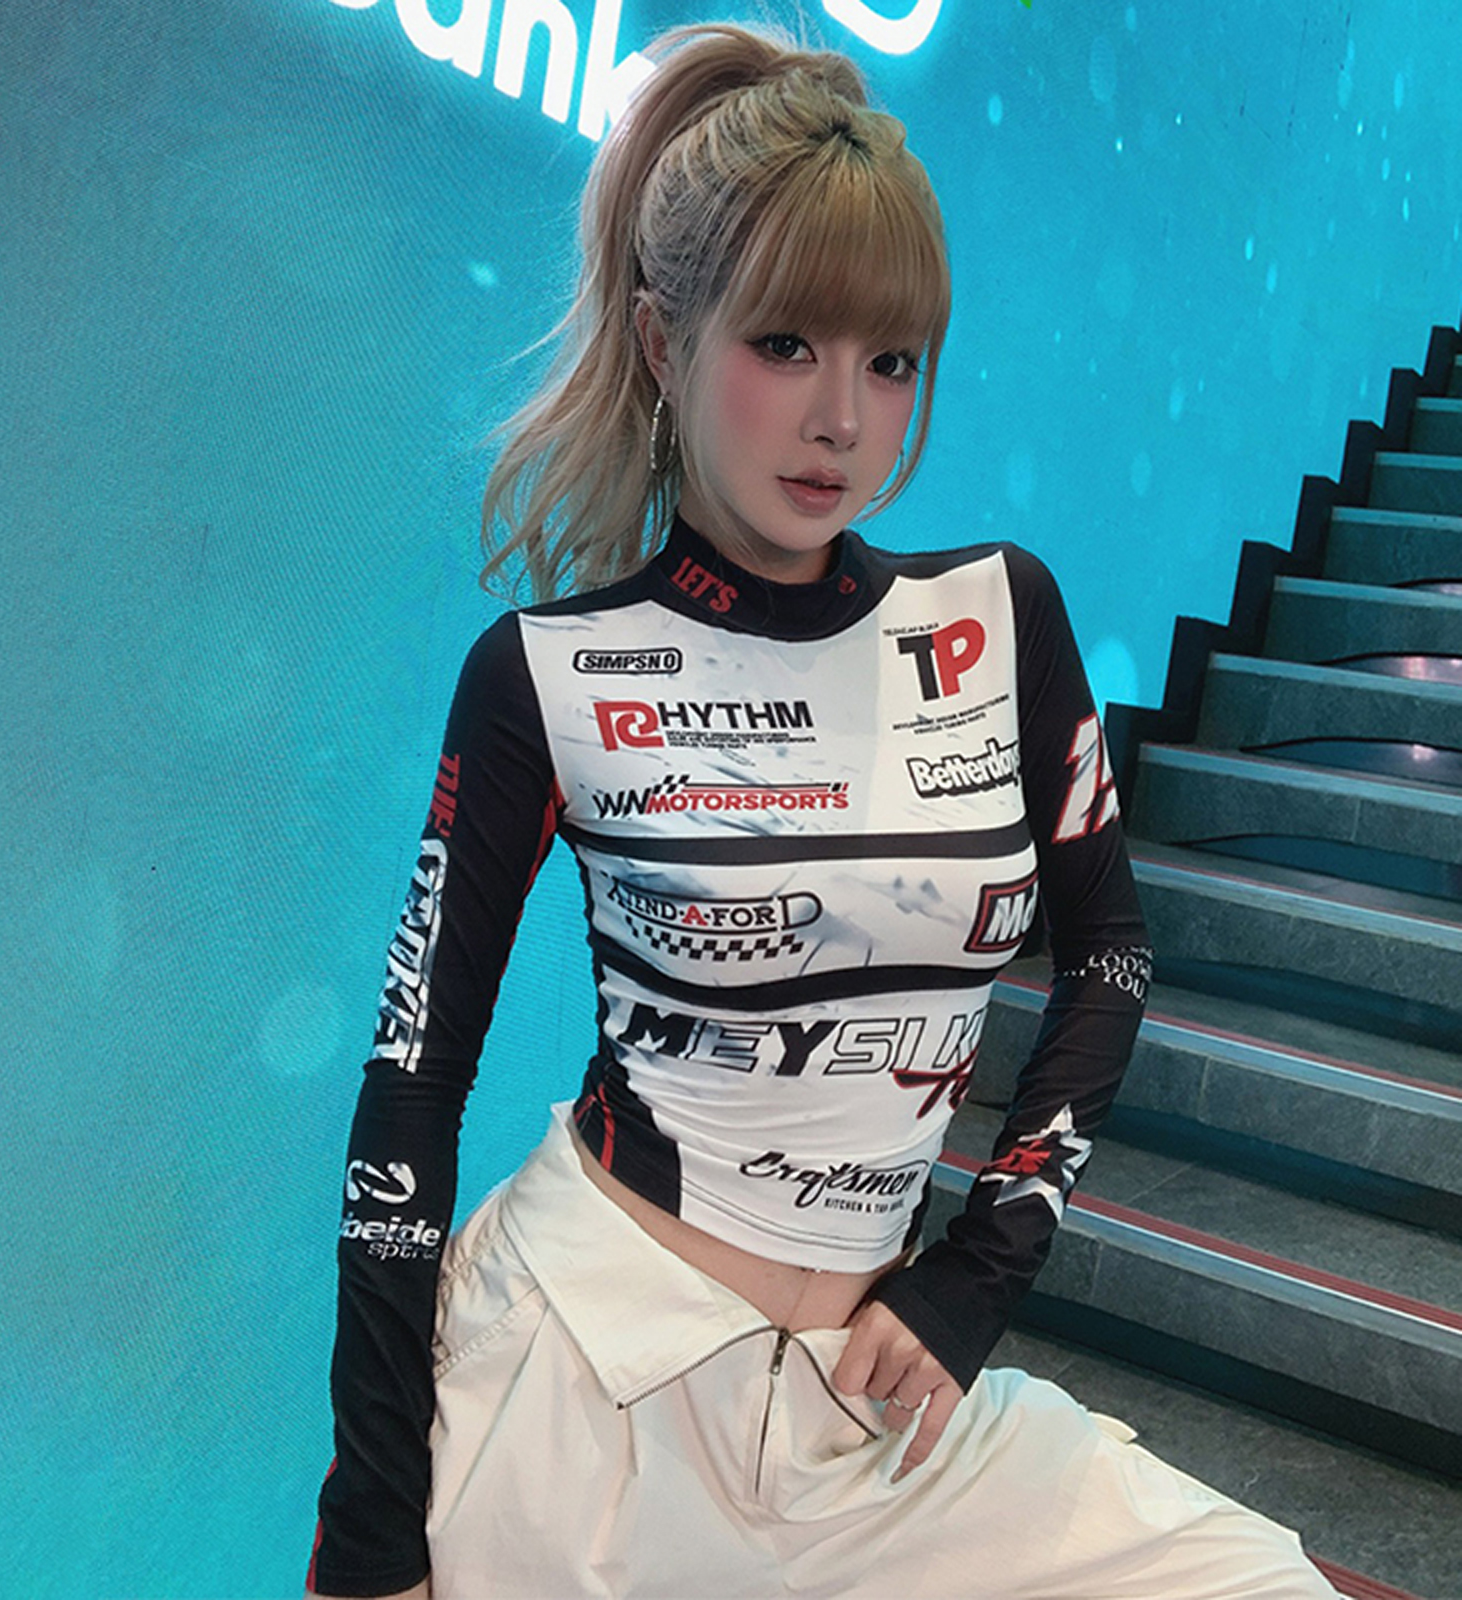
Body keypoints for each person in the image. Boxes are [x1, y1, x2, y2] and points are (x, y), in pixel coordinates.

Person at [306, 23, 1337, 1600]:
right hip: (585, 1380)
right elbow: (408, 1095)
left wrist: (979, 1272)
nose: (843, 419)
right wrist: (373, 1527)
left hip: (878, 1402)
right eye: (785, 345)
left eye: (890, 360)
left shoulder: (1000, 618)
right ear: (663, 342)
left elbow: (1109, 959)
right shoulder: (545, 677)